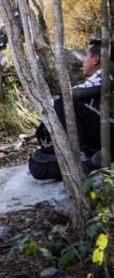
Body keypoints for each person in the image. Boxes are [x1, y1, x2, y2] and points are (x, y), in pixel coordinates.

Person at [32, 39, 114, 178]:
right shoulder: (96, 79)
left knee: (60, 100)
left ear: (95, 59)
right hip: (98, 136)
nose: (82, 60)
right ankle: (90, 160)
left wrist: (50, 110)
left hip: (110, 131)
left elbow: (75, 94)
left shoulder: (108, 70)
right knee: (36, 163)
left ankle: (79, 156)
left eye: (85, 55)